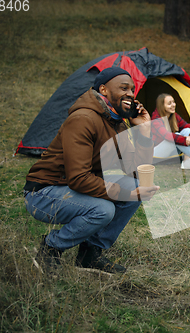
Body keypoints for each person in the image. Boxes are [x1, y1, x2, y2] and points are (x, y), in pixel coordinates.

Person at [23, 67, 160, 274]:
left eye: (132, 90)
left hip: (73, 188)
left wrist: (143, 130)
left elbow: (133, 171)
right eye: (124, 88)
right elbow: (78, 178)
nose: (130, 94)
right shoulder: (83, 119)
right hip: (44, 193)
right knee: (103, 210)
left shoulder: (116, 122)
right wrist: (126, 193)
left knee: (136, 186)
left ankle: (90, 253)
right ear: (103, 90)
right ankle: (51, 248)